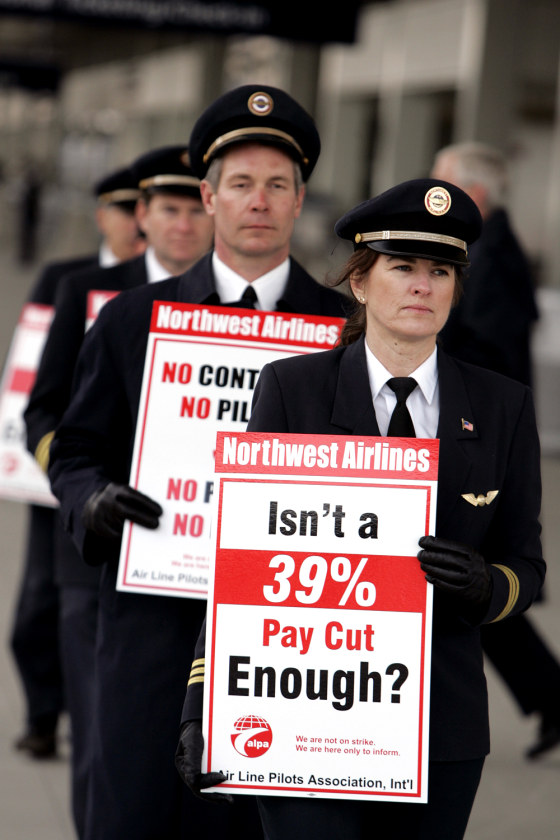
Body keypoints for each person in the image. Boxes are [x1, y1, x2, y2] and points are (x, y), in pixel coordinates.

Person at [177, 178, 545, 840]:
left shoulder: (502, 406)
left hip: (442, 729)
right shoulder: (291, 389)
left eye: (440, 271)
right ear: (360, 282)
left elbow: (528, 563)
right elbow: (242, 562)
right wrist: (202, 700)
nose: (421, 287)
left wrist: (490, 588)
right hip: (301, 719)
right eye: (402, 267)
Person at [47, 85, 348, 840]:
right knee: (134, 816)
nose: (260, 201)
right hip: (152, 619)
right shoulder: (131, 320)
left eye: (278, 185)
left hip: (291, 634)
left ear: (300, 198)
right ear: (210, 196)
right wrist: (94, 501)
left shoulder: (346, 331)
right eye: (241, 184)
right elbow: (75, 449)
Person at [22, 146, 212, 838]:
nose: (186, 225)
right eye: (171, 208)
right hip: (102, 554)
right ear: (142, 215)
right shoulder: (93, 293)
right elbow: (46, 414)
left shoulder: (244, 305)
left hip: (206, 566)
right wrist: (89, 494)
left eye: (197, 208)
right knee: (106, 744)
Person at [10, 163, 144, 764]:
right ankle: (43, 713)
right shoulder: (70, 279)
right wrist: (48, 464)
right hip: (66, 474)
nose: (136, 223)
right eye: (126, 209)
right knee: (38, 607)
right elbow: (30, 379)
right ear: (104, 215)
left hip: (143, 490)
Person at [431, 141, 560, 759]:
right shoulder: (490, 247)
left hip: (474, 442)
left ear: (472, 193)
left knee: (472, 580)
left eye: (443, 183)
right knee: (468, 583)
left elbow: (494, 359)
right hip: (471, 435)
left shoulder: (491, 254)